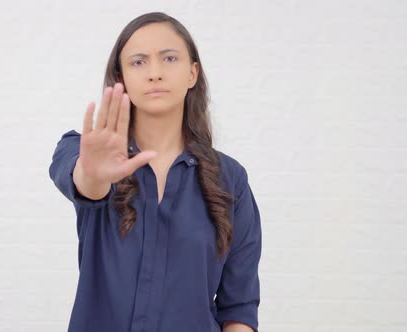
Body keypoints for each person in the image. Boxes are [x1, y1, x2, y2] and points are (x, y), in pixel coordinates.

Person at [49, 12, 262, 332]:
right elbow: (85, 182)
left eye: (169, 58)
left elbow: (239, 306)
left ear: (193, 73)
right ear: (120, 78)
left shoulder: (231, 179)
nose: (155, 73)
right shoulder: (86, 151)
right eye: (138, 62)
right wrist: (94, 174)